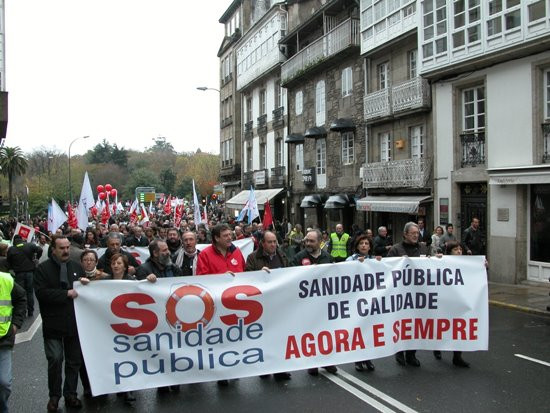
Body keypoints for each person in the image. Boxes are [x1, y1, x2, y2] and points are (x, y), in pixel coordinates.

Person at [34, 235, 85, 411]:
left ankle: (70, 394)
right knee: (55, 359)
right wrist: (65, 294)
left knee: (73, 361)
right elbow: (41, 293)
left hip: (74, 323)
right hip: (53, 323)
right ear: (54, 250)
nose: (65, 251)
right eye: (61, 248)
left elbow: (84, 293)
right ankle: (54, 396)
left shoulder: (77, 267)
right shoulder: (42, 269)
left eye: (67, 247)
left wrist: (86, 285)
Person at [195, 223, 245, 387]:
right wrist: (220, 277)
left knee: (235, 337)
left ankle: (234, 366)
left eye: (230, 235)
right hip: (215, 305)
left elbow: (246, 274)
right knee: (218, 339)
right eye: (226, 236)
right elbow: (201, 279)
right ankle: (220, 371)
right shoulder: (205, 254)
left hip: (235, 304)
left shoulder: (237, 252)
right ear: (216, 238)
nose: (230, 237)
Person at [244, 230, 291, 381]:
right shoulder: (253, 258)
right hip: (261, 305)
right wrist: (259, 273)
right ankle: (264, 366)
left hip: (279, 304)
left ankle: (280, 368)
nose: (273, 245)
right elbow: (247, 278)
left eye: (274, 242)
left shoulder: (282, 255)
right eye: (269, 242)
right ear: (262, 243)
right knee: (264, 337)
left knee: (279, 337)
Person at [291, 229, 337, 376]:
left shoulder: (327, 257)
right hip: (306, 304)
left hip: (324, 304)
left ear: (319, 242)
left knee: (326, 333)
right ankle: (312, 363)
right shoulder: (299, 257)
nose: (308, 243)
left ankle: (327, 361)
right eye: (307, 241)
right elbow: (289, 276)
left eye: (311, 241)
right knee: (310, 334)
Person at [387, 222, 430, 368]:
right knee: (401, 324)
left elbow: (433, 266)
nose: (416, 236)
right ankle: (399, 351)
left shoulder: (423, 248)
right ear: (405, 234)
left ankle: (411, 354)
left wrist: (439, 258)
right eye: (413, 233)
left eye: (417, 233)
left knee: (415, 325)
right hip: (401, 296)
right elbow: (386, 270)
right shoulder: (395, 250)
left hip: (418, 295)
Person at [430, 241, 470, 368]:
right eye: (456, 249)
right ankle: (437, 346)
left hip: (458, 302)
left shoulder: (467, 264)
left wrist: (482, 265)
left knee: (458, 328)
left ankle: (457, 356)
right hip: (443, 301)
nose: (459, 251)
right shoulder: (442, 262)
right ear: (449, 252)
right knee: (442, 326)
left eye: (460, 249)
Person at [345, 234, 377, 372]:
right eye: (361, 243)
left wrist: (379, 262)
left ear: (370, 247)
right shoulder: (350, 260)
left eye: (366, 243)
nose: (364, 245)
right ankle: (358, 360)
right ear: (357, 246)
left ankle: (367, 358)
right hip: (355, 301)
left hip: (370, 301)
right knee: (358, 330)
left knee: (369, 330)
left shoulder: (374, 260)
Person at [0, 269, 26, 413]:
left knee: (3, 383)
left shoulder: (5, 279)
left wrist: (16, 323)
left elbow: (21, 297)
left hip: (3, 339)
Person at [7, 234, 42, 317]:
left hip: (19, 274)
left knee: (20, 294)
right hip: (30, 273)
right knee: (30, 292)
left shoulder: (12, 249)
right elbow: (40, 249)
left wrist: (14, 265)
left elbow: (8, 261)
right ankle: (30, 311)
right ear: (21, 239)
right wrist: (37, 258)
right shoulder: (29, 246)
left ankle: (21, 312)